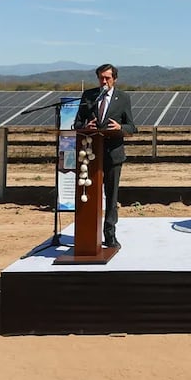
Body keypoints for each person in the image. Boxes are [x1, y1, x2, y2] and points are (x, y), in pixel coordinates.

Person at [73, 63, 137, 249]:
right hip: (91, 153)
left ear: (114, 79)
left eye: (107, 78)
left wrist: (120, 128)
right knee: (89, 193)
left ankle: (110, 234)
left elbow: (132, 127)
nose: (104, 81)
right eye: (101, 78)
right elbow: (77, 123)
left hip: (113, 154)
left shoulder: (123, 98)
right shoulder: (89, 96)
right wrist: (85, 126)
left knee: (111, 195)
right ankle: (88, 233)